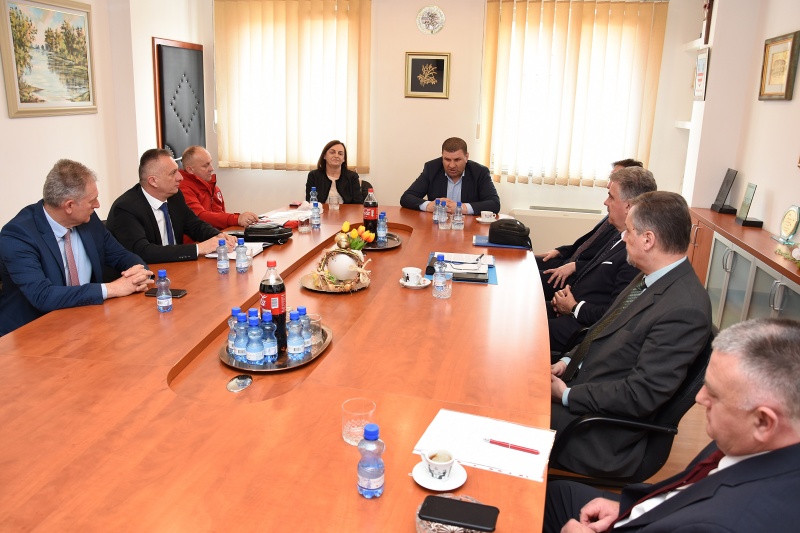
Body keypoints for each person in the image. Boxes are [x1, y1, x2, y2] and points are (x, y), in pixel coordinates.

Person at [545, 318, 800, 533]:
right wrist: (629, 509)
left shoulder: (726, 523)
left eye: (714, 394)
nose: (699, 398)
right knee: (555, 494)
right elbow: (690, 491)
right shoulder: (750, 440)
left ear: (764, 422)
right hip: (645, 511)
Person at [550, 191, 713, 477]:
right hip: (586, 391)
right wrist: (566, 361)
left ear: (648, 240)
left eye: (628, 231)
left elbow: (641, 394)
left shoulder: (685, 310)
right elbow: (602, 330)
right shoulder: (649, 276)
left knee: (505, 415)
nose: (623, 238)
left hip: (600, 433)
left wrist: (566, 394)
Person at [0, 159, 152, 336]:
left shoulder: (88, 220)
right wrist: (113, 288)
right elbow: (42, 296)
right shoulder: (18, 235)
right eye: (92, 200)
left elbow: (121, 255)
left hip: (85, 320)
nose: (97, 205)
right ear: (69, 206)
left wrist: (138, 273)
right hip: (32, 332)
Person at [547, 167, 655, 353]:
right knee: (521, 310)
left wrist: (573, 307)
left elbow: (614, 315)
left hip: (581, 329)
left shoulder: (634, 254)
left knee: (520, 328)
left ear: (628, 206)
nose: (606, 202)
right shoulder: (618, 235)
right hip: (569, 308)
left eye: (611, 197)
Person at [106, 149, 236, 263]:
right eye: (173, 173)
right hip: (146, 274)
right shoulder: (125, 209)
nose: (180, 177)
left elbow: (195, 226)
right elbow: (143, 252)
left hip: (176, 268)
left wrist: (217, 236)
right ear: (153, 181)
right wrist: (198, 248)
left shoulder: (175, 196)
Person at [537, 159, 644, 294]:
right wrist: (560, 251)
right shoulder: (613, 217)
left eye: (615, 178)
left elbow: (600, 268)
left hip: (577, 275)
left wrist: (575, 304)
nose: (609, 184)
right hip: (570, 263)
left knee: (528, 277)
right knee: (527, 263)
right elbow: (586, 244)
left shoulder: (622, 228)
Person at [400, 137, 500, 215]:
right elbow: (406, 198)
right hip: (437, 226)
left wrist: (462, 208)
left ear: (466, 157)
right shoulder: (431, 168)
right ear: (442, 156)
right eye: (447, 159)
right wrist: (428, 205)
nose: (451, 165)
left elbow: (494, 204)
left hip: (467, 227)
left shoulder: (479, 172)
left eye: (457, 160)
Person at [178, 146, 259, 241]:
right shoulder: (182, 189)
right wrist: (236, 219)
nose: (211, 168)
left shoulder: (214, 188)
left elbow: (219, 216)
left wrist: (242, 219)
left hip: (218, 238)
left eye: (210, 163)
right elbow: (199, 217)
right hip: (198, 244)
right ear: (190, 170)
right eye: (205, 166)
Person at [305, 140, 364, 205]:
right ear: (324, 156)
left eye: (340, 154)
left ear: (344, 159)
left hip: (346, 211)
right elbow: (310, 201)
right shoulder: (314, 176)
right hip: (320, 211)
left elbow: (358, 204)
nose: (336, 156)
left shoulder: (352, 177)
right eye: (332, 152)